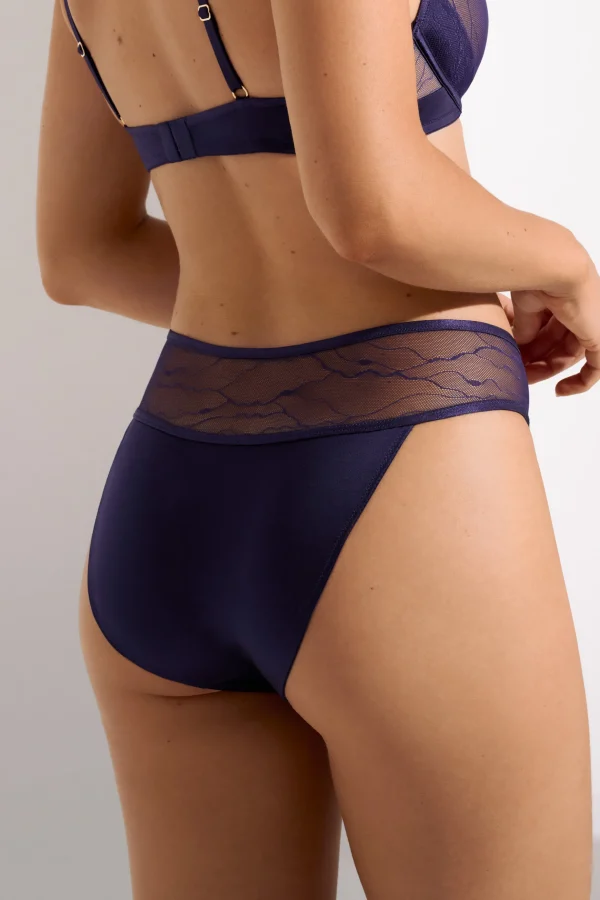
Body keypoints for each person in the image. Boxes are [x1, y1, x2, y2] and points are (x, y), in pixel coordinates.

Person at [36, 0, 596, 897]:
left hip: (172, 498)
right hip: (402, 467)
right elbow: (372, 209)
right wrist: (562, 263)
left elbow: (81, 253)